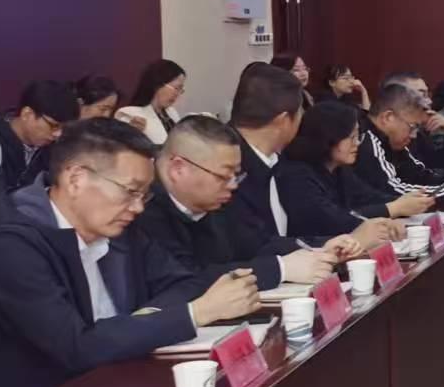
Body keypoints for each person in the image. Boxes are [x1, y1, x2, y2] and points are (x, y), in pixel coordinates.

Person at [0, 119, 260, 387]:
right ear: (76, 179)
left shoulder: (119, 228)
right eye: (130, 191)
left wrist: (144, 319)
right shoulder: (11, 242)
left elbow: (184, 282)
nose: (138, 207)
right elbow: (76, 346)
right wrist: (197, 313)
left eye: (144, 194)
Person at [136, 116, 349, 288]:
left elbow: (256, 243)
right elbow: (185, 278)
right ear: (178, 169)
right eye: (223, 176)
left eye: (236, 175)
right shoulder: (141, 208)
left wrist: (320, 248)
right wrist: (280, 269)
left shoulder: (214, 199)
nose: (232, 185)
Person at [278, 100, 423, 244]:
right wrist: (392, 210)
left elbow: (367, 197)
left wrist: (404, 202)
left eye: (358, 136)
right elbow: (331, 219)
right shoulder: (296, 174)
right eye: (352, 137)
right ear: (329, 138)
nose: (357, 143)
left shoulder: (339, 168)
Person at [223, 62, 307, 248]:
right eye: (300, 114)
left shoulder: (275, 161)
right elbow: (252, 245)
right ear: (283, 121)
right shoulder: (226, 170)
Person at [355, 83, 444, 200]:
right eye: (412, 127)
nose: (414, 136)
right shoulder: (366, 139)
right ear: (388, 117)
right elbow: (393, 190)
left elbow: (419, 175)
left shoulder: (394, 142)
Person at [0, 80, 79, 203]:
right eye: (53, 126)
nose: (58, 134)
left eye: (64, 128)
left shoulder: (53, 151)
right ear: (27, 114)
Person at [117, 58, 188, 145]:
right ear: (158, 84)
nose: (178, 94)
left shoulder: (172, 113)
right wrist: (133, 133)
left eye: (181, 90)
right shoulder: (130, 114)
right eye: (176, 88)